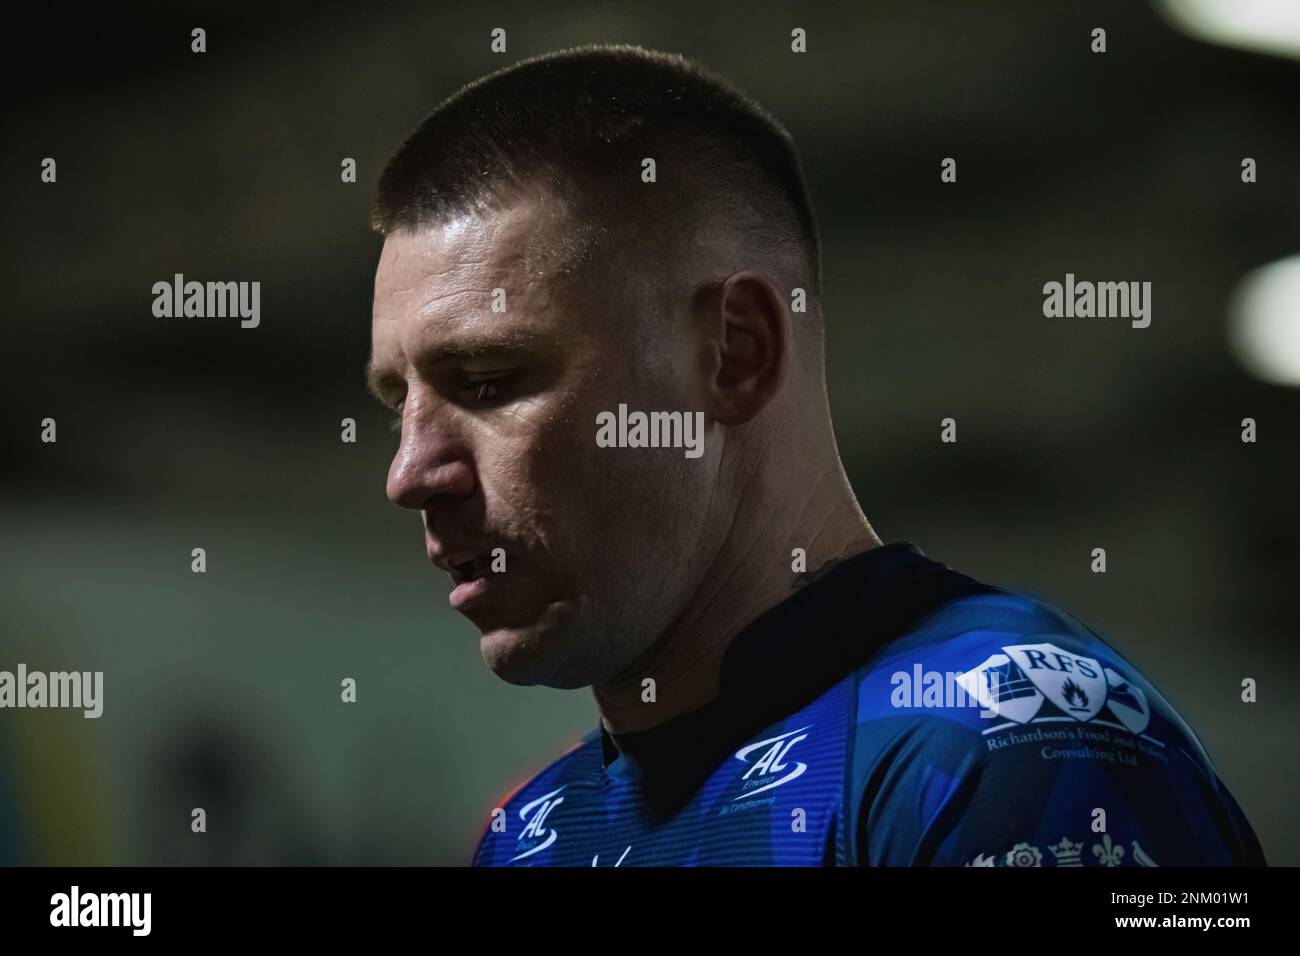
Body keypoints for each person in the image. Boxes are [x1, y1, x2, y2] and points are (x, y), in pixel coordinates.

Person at [365, 45, 1265, 866]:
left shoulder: (1010, 745)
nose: (409, 474)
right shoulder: (531, 834)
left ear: (739, 352)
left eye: (487, 378)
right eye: (399, 401)